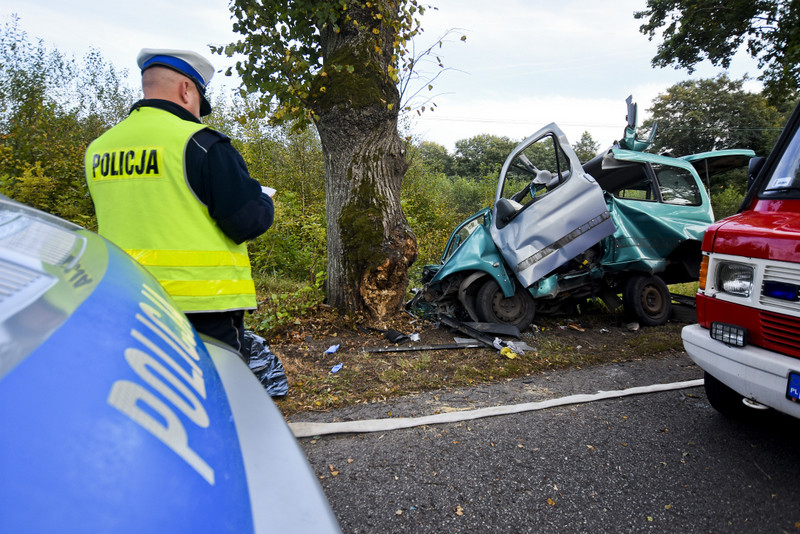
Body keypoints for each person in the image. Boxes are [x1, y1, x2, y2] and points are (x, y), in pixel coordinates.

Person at [85, 48, 273, 360]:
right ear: (186, 90)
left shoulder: (99, 149)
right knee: (214, 395)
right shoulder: (202, 143)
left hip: (129, 300)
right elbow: (247, 220)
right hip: (203, 307)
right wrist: (264, 201)